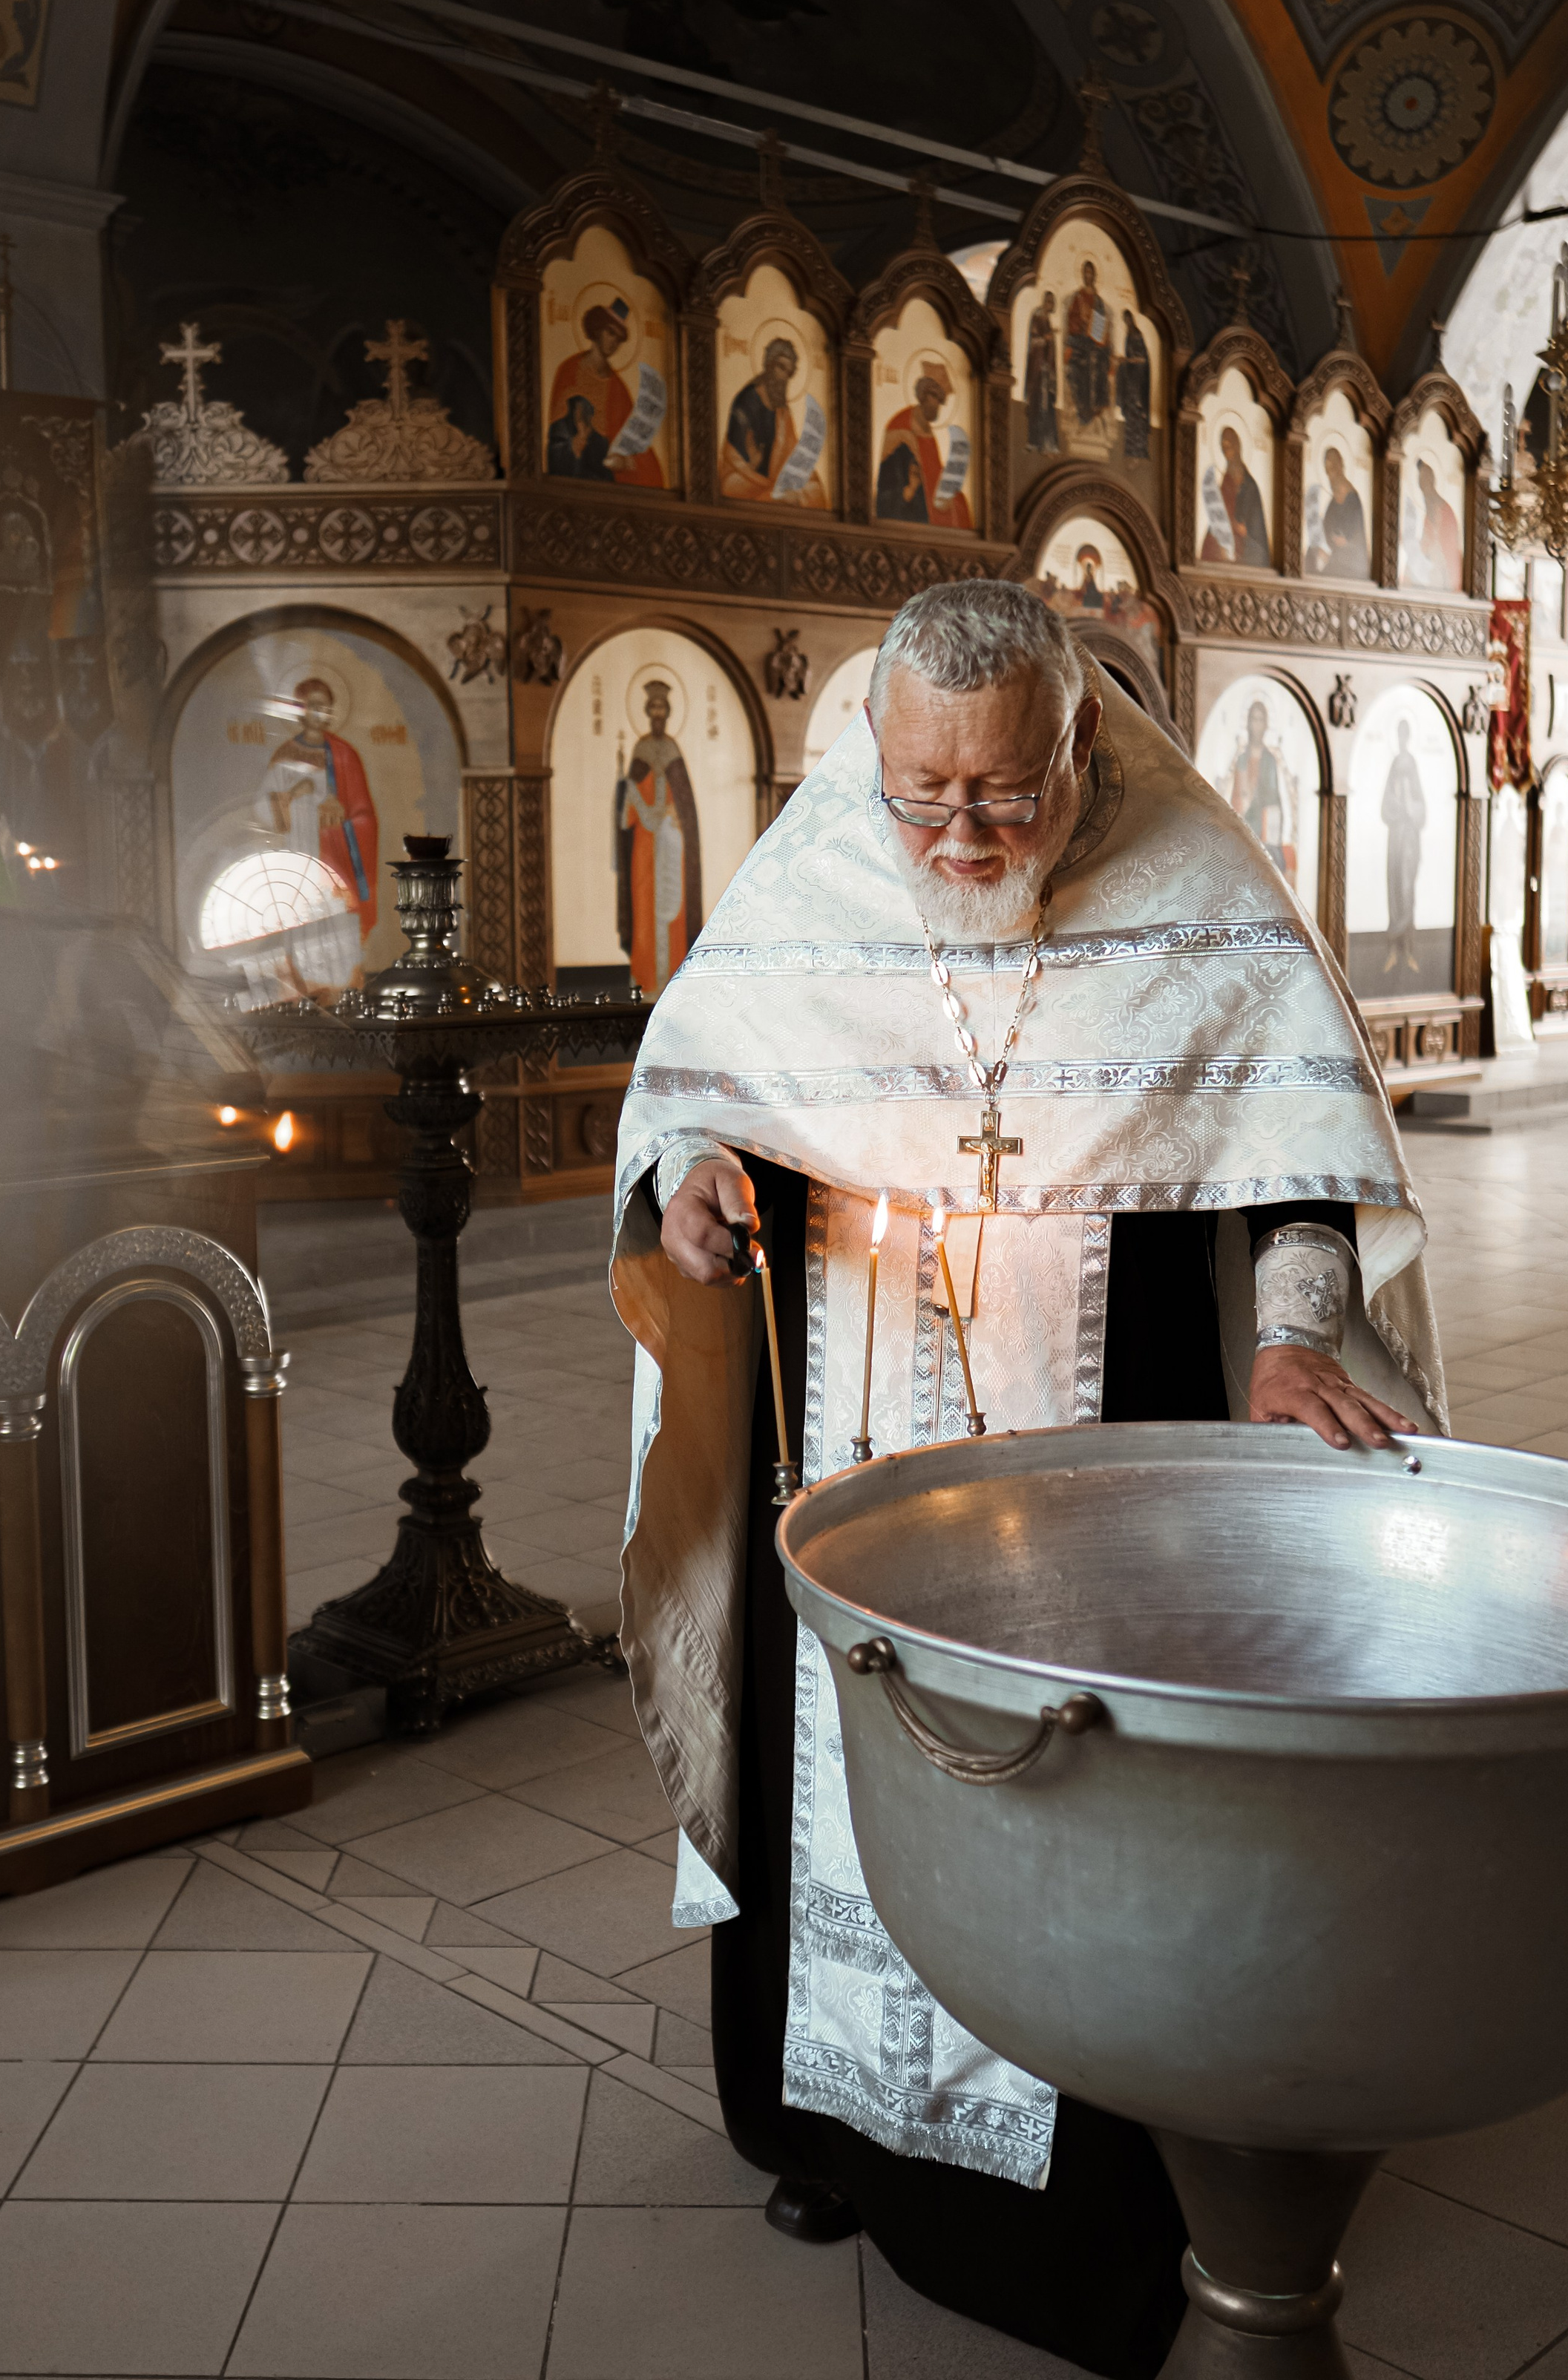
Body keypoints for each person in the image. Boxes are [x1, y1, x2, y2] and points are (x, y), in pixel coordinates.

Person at [609, 581, 1443, 2378]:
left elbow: (1293, 1151)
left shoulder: (1193, 887)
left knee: (1074, 1787)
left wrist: (1292, 1329)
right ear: (871, 758)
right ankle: (820, 2131)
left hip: (1093, 1452)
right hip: (843, 1427)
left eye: (1003, 792)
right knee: (831, 1756)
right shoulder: (821, 859)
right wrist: (680, 1182)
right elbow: (701, 1079)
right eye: (921, 793)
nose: (956, 832)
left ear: (1084, 751)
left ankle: (1076, 2220)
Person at [260, 675, 379, 945]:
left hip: (334, 850)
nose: (319, 712)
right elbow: (262, 809)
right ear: (300, 710)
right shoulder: (285, 755)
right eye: (312, 705)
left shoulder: (345, 755)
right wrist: (291, 797)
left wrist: (342, 818)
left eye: (325, 706)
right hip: (297, 846)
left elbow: (365, 816)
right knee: (299, 912)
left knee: (331, 917)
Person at [614, 680, 702, 994]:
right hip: (643, 848)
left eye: (662, 708)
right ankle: (647, 983)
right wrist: (630, 797)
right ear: (646, 712)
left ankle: (673, 984)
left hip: (670, 846)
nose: (657, 714)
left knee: (671, 912)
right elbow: (627, 812)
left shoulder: (673, 751)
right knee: (645, 911)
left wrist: (672, 816)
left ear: (669, 712)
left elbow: (685, 810)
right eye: (652, 708)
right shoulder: (640, 751)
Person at [546, 297, 666, 485]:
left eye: (619, 339)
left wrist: (627, 462)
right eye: (610, 332)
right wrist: (575, 444)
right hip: (572, 472)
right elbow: (556, 436)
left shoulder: (617, 387)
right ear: (598, 328)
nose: (614, 343)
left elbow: (632, 437)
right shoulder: (570, 371)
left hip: (604, 475)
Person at [721, 335, 827, 506]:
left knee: (816, 490)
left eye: (789, 372)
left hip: (775, 483)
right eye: (781, 367)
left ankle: (775, 495)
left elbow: (792, 452)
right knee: (731, 487)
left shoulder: (782, 410)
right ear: (769, 365)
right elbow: (734, 456)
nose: (784, 377)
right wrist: (751, 462)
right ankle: (774, 496)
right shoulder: (746, 400)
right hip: (745, 478)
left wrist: (798, 473)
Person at [875, 362, 973, 528]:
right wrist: (911, 489)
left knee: (961, 504)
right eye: (937, 400)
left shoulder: (927, 429)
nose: (939, 409)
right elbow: (890, 481)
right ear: (925, 396)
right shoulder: (900, 428)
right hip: (913, 508)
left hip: (934, 501)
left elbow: (934, 469)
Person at [1224, 697, 1294, 881]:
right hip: (1245, 826)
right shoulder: (1241, 759)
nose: (1257, 725)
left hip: (1266, 830)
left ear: (1266, 725)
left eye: (1260, 719)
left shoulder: (1270, 760)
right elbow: (1235, 800)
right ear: (1248, 723)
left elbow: (1275, 798)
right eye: (1253, 719)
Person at [1382, 716, 1426, 976]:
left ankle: (1409, 949)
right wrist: (1399, 807)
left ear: (1407, 737)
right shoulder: (1394, 764)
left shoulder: (1412, 764)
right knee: (1394, 889)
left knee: (1408, 889)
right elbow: (1385, 804)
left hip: (1409, 838)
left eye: (1404, 734)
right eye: (1398, 734)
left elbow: (1422, 809)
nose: (1401, 739)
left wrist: (1411, 808)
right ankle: (1393, 951)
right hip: (1395, 837)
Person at [1199, 424, 1270, 565]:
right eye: (1224, 449)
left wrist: (1243, 529)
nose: (1227, 452)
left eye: (1229, 447)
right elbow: (1219, 512)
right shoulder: (1226, 480)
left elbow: (1256, 527)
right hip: (1226, 534)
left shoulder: (1250, 486)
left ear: (1237, 447)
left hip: (1245, 541)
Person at [1063, 258, 1112, 430]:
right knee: (1080, 367)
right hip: (1080, 343)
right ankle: (1083, 411)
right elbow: (1072, 321)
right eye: (1085, 272)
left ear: (1095, 276)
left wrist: (1096, 332)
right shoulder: (1077, 297)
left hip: (1095, 344)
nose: (1088, 276)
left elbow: (1101, 326)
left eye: (1090, 273)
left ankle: (1096, 408)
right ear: (1083, 275)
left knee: (1099, 362)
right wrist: (1081, 325)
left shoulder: (1098, 301)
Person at [1311, 442, 1369, 578]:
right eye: (1327, 469)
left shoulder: (1353, 499)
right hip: (1337, 559)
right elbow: (1328, 530)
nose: (1330, 473)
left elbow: (1354, 534)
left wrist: (1344, 541)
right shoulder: (1333, 503)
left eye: (1333, 467)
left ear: (1340, 467)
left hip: (1352, 563)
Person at [1412, 459, 1462, 590]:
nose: (1423, 488)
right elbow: (1425, 541)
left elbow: (1449, 547)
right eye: (1421, 483)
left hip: (1444, 571)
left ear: (1431, 482)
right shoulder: (1429, 513)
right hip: (1431, 566)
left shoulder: (1445, 511)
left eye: (1425, 482)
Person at [1023, 292, 1060, 454]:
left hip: (1047, 370)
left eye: (1052, 302)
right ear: (1045, 302)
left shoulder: (1047, 321)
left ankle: (1047, 444)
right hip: (1038, 370)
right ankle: (1034, 442)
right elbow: (1034, 342)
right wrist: (1046, 339)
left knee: (1047, 406)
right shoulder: (1037, 317)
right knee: (1037, 404)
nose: (1050, 305)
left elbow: (1050, 346)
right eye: (1049, 302)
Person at [547, 391, 614, 480]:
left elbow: (606, 478)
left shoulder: (600, 441)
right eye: (577, 412)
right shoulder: (559, 429)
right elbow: (554, 467)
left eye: (586, 412)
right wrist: (573, 450)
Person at [1117, 309, 1151, 459]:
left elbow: (1142, 359)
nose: (1127, 323)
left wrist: (1126, 361)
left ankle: (1139, 451)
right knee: (1131, 415)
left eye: (1128, 320)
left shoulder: (1137, 336)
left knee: (1138, 412)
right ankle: (1131, 451)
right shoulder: (1129, 335)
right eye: (1125, 320)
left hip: (1138, 380)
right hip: (1131, 379)